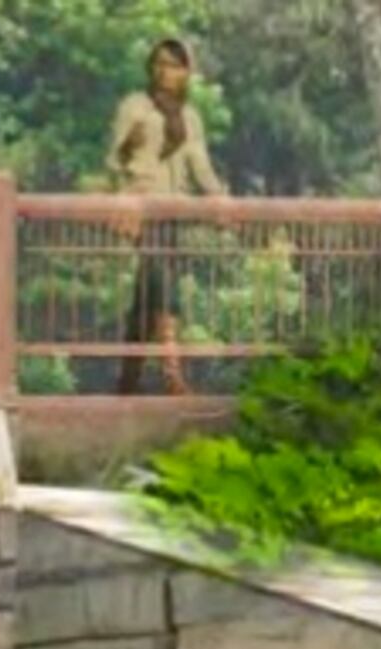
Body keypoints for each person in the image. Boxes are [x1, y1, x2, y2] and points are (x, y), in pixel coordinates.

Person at [106, 35, 230, 395]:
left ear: (187, 72)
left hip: (174, 210)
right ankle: (172, 373)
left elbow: (200, 165)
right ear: (151, 68)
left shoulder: (189, 117)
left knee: (149, 293)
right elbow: (115, 159)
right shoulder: (135, 106)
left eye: (174, 65)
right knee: (163, 282)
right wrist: (129, 174)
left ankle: (127, 381)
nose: (165, 71)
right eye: (159, 63)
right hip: (143, 209)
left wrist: (220, 199)